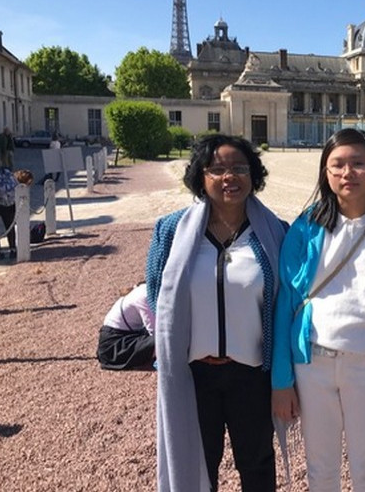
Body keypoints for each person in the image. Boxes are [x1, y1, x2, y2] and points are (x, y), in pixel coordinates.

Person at [272, 128, 365, 492]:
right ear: (325, 172)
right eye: (337, 165)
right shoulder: (305, 229)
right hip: (312, 365)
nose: (347, 173)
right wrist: (281, 380)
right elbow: (286, 303)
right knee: (321, 471)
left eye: (358, 163)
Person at [146, 134, 287, 492]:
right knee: (196, 466)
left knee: (256, 466)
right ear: (200, 177)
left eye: (240, 168)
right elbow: (156, 297)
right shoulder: (170, 231)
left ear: (254, 175)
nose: (230, 177)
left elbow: (285, 303)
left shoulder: (274, 232)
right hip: (193, 375)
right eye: (217, 169)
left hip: (252, 375)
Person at [97, 282, 156, 370]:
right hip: (114, 346)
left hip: (121, 336)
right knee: (162, 341)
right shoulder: (144, 295)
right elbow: (154, 330)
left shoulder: (142, 291)